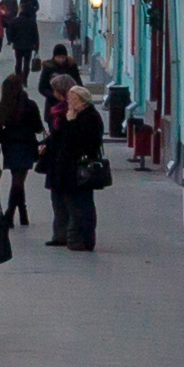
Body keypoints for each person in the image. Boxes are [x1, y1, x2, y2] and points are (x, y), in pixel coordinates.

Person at [41, 69, 106, 256]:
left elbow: (77, 141)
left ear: (82, 101)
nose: (69, 103)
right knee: (70, 203)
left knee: (81, 206)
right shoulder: (76, 115)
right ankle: (71, 238)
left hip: (79, 168)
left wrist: (70, 122)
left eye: (73, 100)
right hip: (67, 167)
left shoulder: (88, 118)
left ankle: (81, 240)